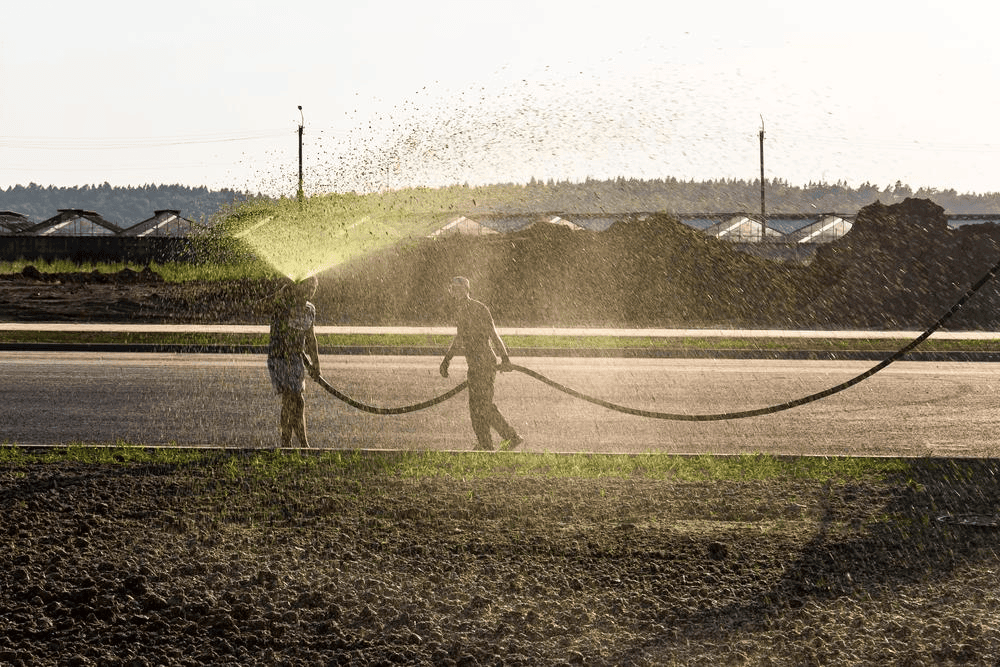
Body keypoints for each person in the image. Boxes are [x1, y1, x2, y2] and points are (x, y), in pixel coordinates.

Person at [439, 276, 524, 450]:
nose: (455, 292)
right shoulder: (466, 309)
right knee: (479, 406)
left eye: (458, 288)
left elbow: (491, 335)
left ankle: (508, 437)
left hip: (483, 364)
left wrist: (505, 357)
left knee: (481, 406)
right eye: (453, 289)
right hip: (477, 364)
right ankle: (487, 444)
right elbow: (464, 338)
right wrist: (447, 360)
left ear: (466, 290)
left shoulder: (475, 309)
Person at [267, 275, 321, 448]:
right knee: (292, 399)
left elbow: (311, 338)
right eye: (308, 286)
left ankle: (292, 443)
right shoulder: (283, 306)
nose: (311, 290)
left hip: (296, 359)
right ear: (298, 287)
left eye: (314, 287)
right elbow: (272, 308)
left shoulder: (309, 310)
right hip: (280, 358)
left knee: (296, 400)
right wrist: (285, 291)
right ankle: (295, 443)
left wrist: (316, 364)